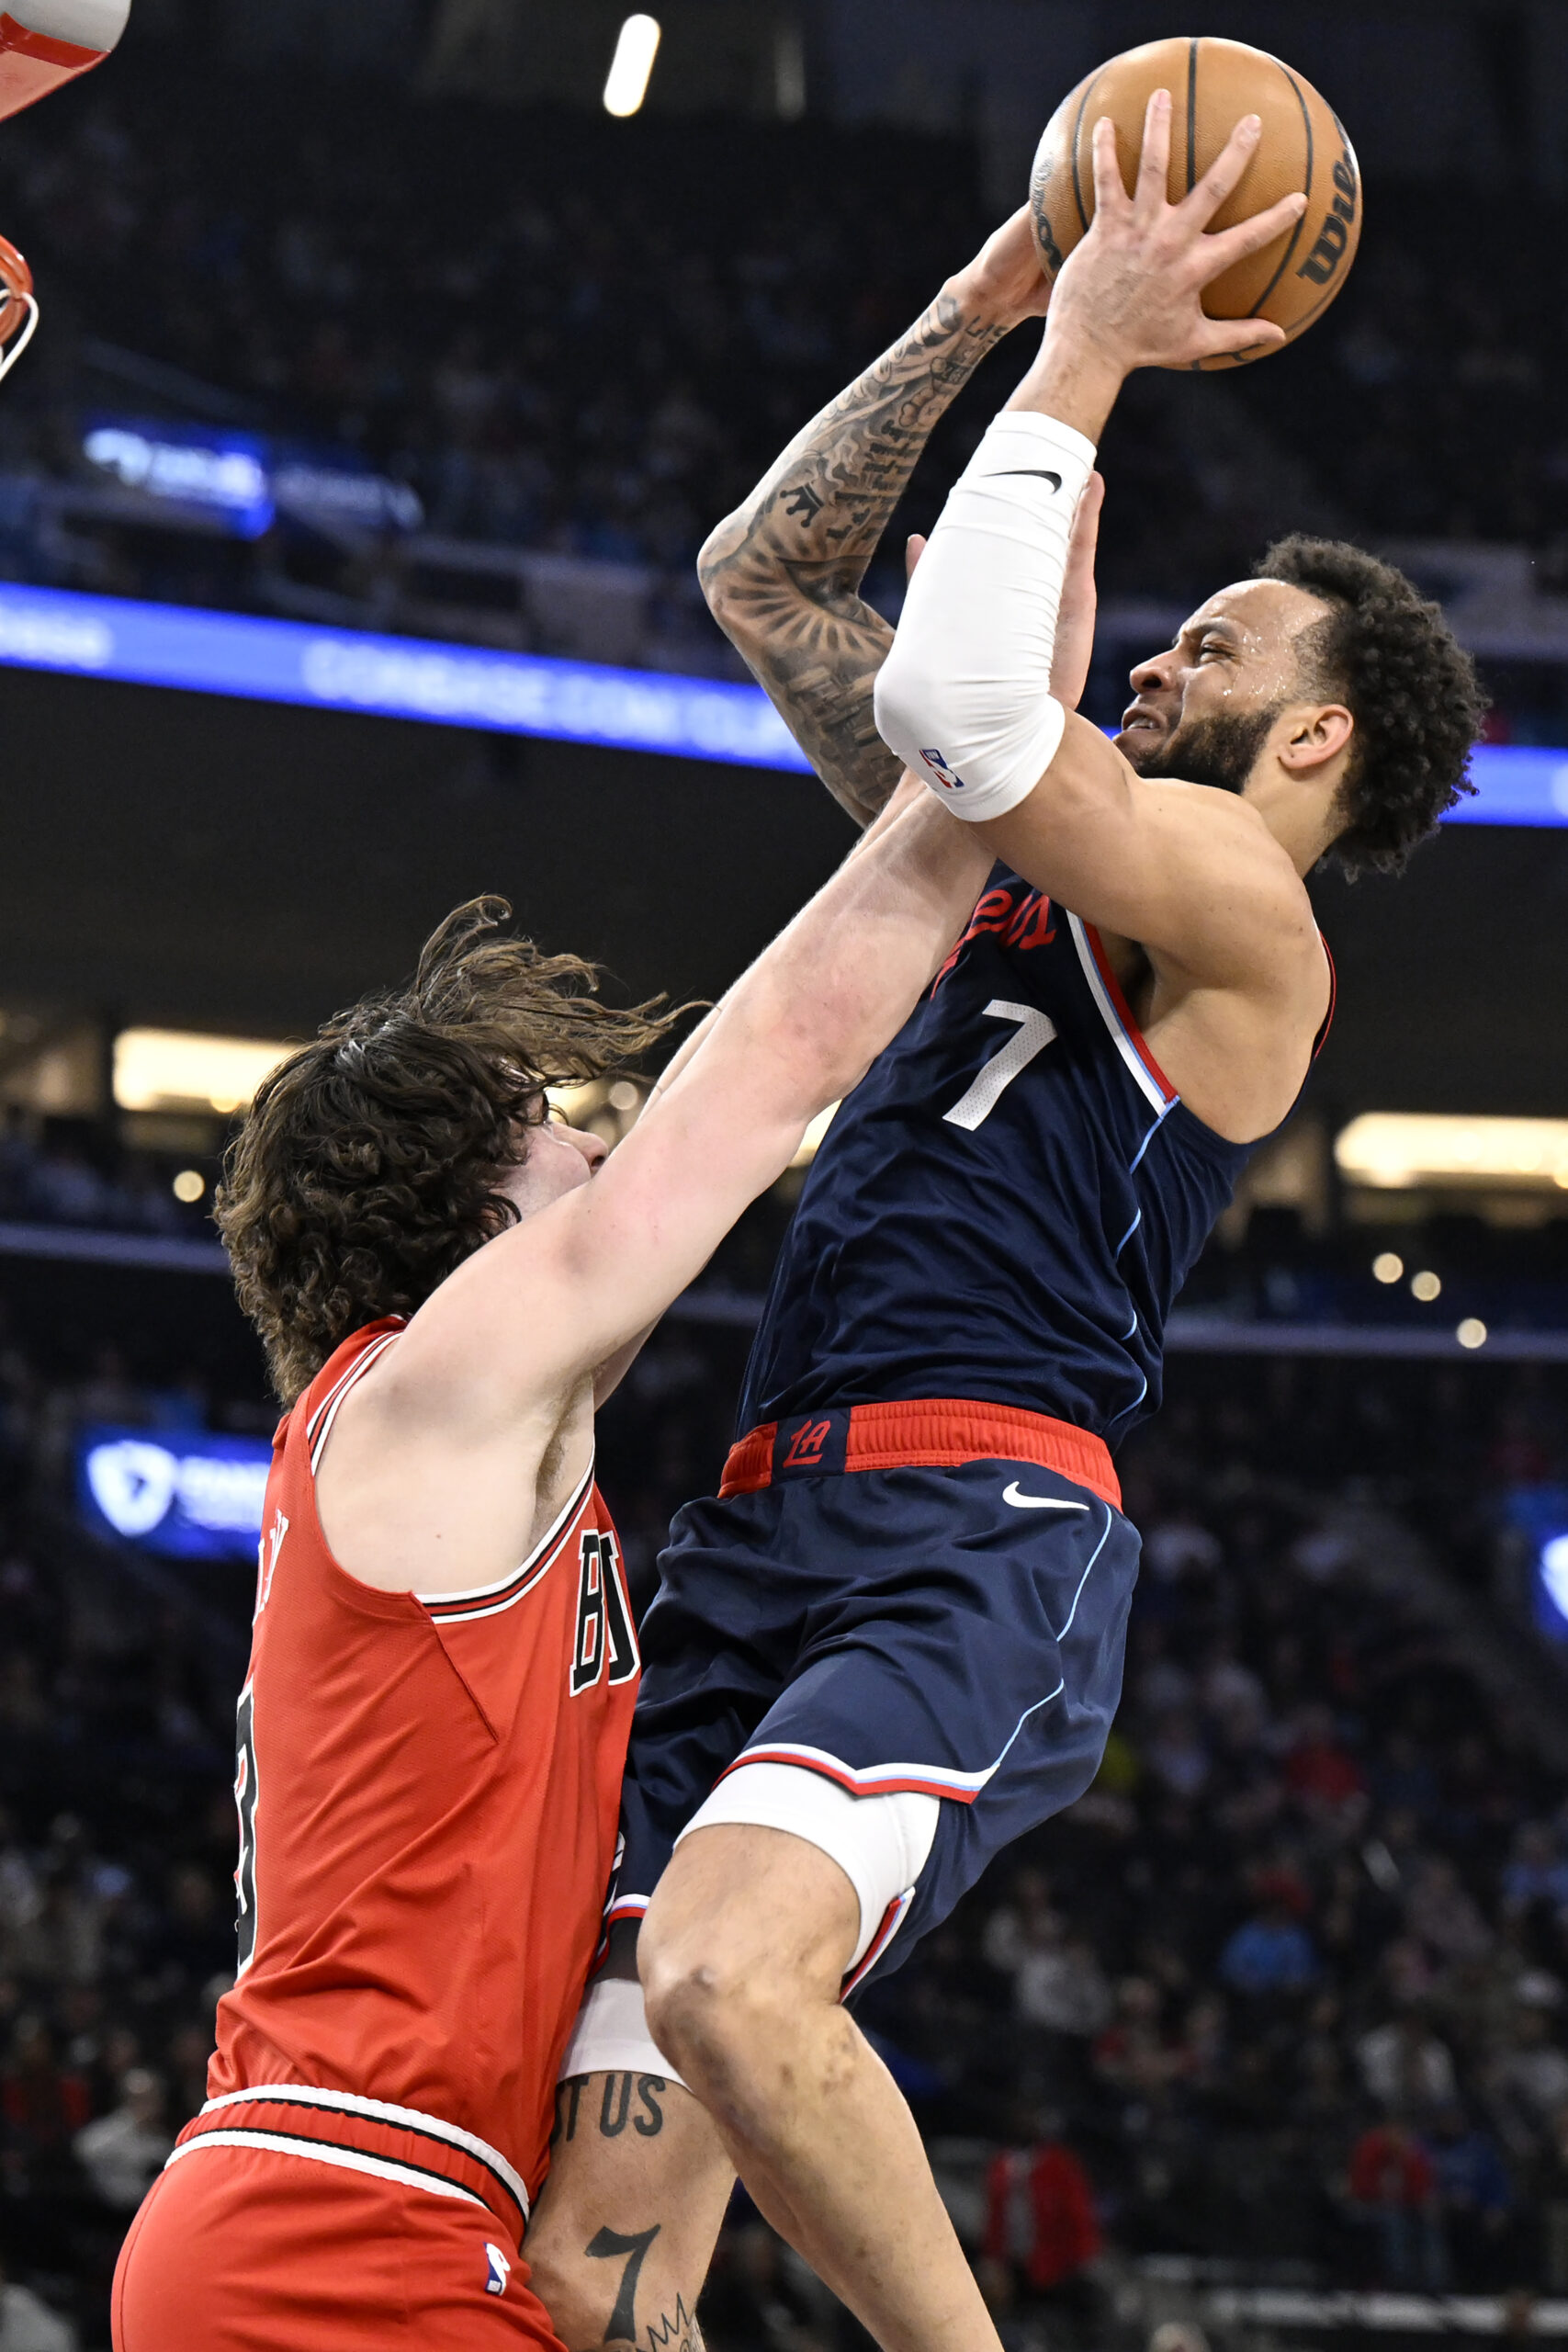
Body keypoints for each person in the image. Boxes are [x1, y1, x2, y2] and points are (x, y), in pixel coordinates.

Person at [525, 90, 1485, 2352]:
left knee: (726, 1969)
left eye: (1216, 647)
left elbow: (966, 695)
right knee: (593, 2266)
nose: (1161, 656)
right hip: (762, 1531)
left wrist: (1094, 349)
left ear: (1317, 735)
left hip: (976, 1533)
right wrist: (986, 300)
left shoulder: (1241, 914)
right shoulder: (1009, 848)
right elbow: (763, 578)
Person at [110, 776, 997, 2342]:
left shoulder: (453, 1437)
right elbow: (770, 1062)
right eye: (554, 1129)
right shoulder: (429, 1392)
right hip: (352, 2215)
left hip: (365, 2203)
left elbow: (711, 1142)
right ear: (465, 1210)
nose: (599, 1151)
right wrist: (981, 773)